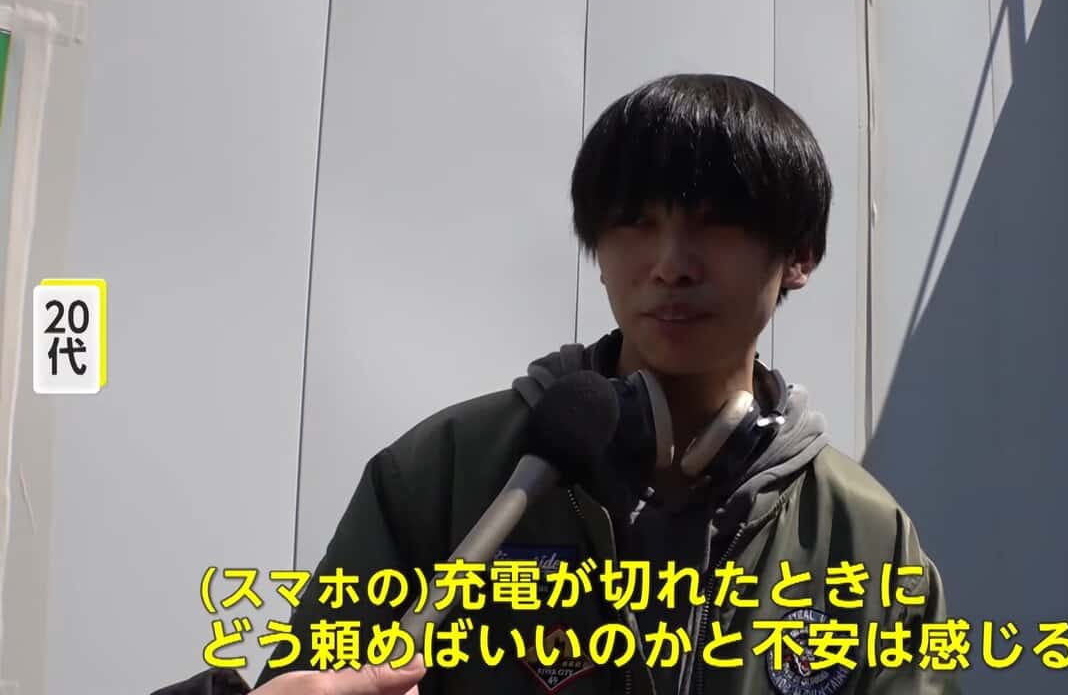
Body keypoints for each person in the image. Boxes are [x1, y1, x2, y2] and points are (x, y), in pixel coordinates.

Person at [245, 73, 959, 695]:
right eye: (635, 223)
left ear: (799, 255)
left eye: (717, 224)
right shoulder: (446, 472)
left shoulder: (868, 537)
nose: (671, 264)